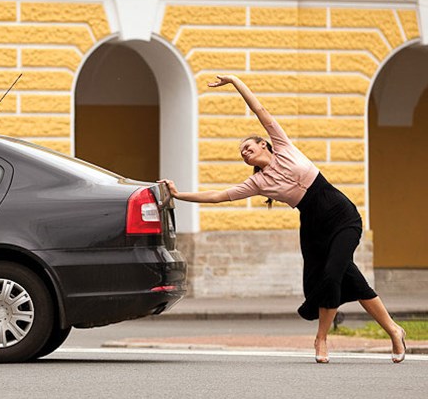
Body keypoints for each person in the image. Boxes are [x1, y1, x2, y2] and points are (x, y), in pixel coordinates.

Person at [161, 75, 407, 364]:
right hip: (313, 228)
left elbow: (259, 109)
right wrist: (179, 194)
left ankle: (321, 339)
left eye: (248, 148)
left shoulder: (284, 146)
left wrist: (235, 81)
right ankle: (394, 330)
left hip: (341, 215)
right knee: (349, 279)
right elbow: (218, 196)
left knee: (332, 275)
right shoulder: (259, 184)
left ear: (264, 144)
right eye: (242, 154)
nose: (245, 154)